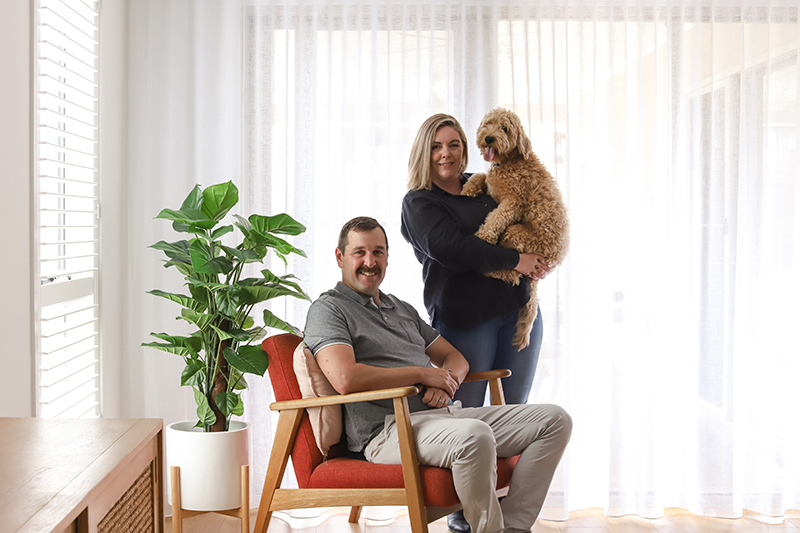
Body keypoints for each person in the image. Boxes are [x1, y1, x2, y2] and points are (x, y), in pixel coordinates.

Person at [303, 216, 572, 533]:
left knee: (555, 420)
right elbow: (345, 378)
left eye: (378, 252)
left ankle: (512, 528)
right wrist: (422, 375)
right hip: (387, 431)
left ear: (387, 257)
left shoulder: (400, 308)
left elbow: (454, 358)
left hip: (445, 415)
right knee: (475, 435)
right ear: (340, 257)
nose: (369, 262)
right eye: (359, 252)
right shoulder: (329, 309)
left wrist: (446, 384)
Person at [401, 113, 554, 412]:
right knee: (464, 417)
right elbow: (455, 249)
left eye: (454, 145)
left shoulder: (484, 184)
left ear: (464, 149)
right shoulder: (419, 201)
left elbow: (523, 216)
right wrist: (517, 260)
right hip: (466, 321)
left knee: (515, 418)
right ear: (423, 152)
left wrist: (539, 255)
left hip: (518, 312)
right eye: (436, 146)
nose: (446, 153)